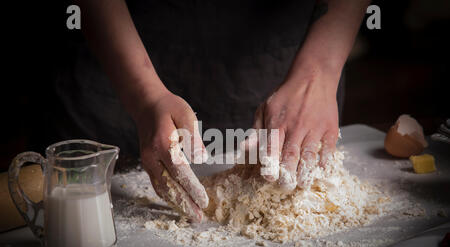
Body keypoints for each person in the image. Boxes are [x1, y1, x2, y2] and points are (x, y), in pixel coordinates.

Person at [53, 0, 370, 221]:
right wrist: (144, 96)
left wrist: (318, 72)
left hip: (288, 54)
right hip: (118, 55)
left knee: (288, 165)